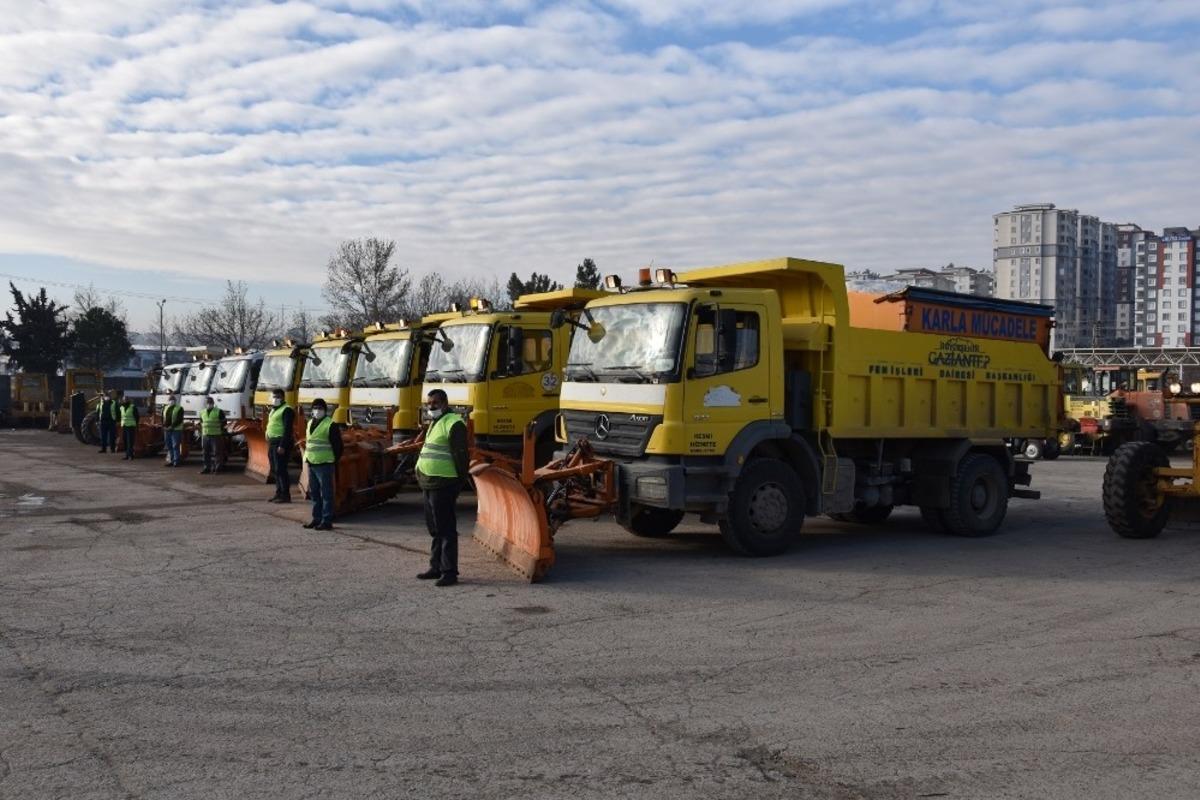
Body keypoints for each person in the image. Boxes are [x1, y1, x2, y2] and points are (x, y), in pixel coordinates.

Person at [415, 389, 469, 587]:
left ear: (445, 403)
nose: (431, 407)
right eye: (429, 403)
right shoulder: (435, 423)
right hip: (428, 483)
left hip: (444, 484)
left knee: (446, 529)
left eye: (435, 403)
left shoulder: (454, 423)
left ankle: (449, 572)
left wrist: (459, 483)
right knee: (434, 528)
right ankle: (435, 567)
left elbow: (461, 456)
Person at [302, 398, 342, 531]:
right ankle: (316, 518)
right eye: (315, 408)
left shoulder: (330, 425)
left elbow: (338, 446)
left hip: (324, 464)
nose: (317, 410)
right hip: (312, 463)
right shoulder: (309, 423)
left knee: (326, 494)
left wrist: (333, 460)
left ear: (325, 410)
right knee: (315, 494)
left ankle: (327, 521)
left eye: (320, 408)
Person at [265, 388, 295, 503]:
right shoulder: (273, 410)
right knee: (275, 470)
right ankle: (278, 493)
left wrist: (282, 445)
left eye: (278, 397)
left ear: (283, 398)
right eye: (274, 396)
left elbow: (288, 430)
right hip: (272, 443)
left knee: (281, 469)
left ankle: (285, 495)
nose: (275, 399)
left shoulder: (287, 410)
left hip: (280, 443)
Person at [198, 395, 226, 474]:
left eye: (210, 403)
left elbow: (224, 422)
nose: (209, 404)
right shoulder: (202, 412)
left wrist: (220, 429)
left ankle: (218, 468)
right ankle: (207, 468)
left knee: (217, 453)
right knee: (205, 452)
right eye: (208, 403)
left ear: (213, 403)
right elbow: (201, 422)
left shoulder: (219, 411)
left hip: (215, 435)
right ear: (205, 404)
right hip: (205, 435)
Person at [162, 393, 185, 467]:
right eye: (170, 399)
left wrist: (171, 426)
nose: (171, 401)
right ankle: (171, 460)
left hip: (176, 430)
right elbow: (162, 418)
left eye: (173, 399)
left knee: (175, 445)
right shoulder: (165, 408)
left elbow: (179, 419)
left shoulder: (179, 408)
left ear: (175, 401)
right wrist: (164, 426)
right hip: (167, 430)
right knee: (169, 445)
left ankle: (176, 461)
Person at [97, 389, 119, 453]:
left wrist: (118, 420)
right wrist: (97, 420)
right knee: (103, 436)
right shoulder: (101, 403)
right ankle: (103, 449)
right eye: (105, 396)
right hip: (103, 421)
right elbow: (98, 412)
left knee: (112, 436)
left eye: (107, 396)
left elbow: (118, 412)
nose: (106, 397)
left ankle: (112, 449)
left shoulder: (114, 403)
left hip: (111, 421)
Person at [118, 396, 139, 460]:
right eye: (124, 400)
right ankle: (127, 455)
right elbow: (120, 416)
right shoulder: (121, 407)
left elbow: (137, 417)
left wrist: (136, 425)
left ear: (128, 400)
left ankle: (131, 455)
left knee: (130, 441)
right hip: (124, 426)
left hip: (131, 426)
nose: (125, 401)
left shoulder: (133, 407)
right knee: (125, 441)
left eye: (126, 399)